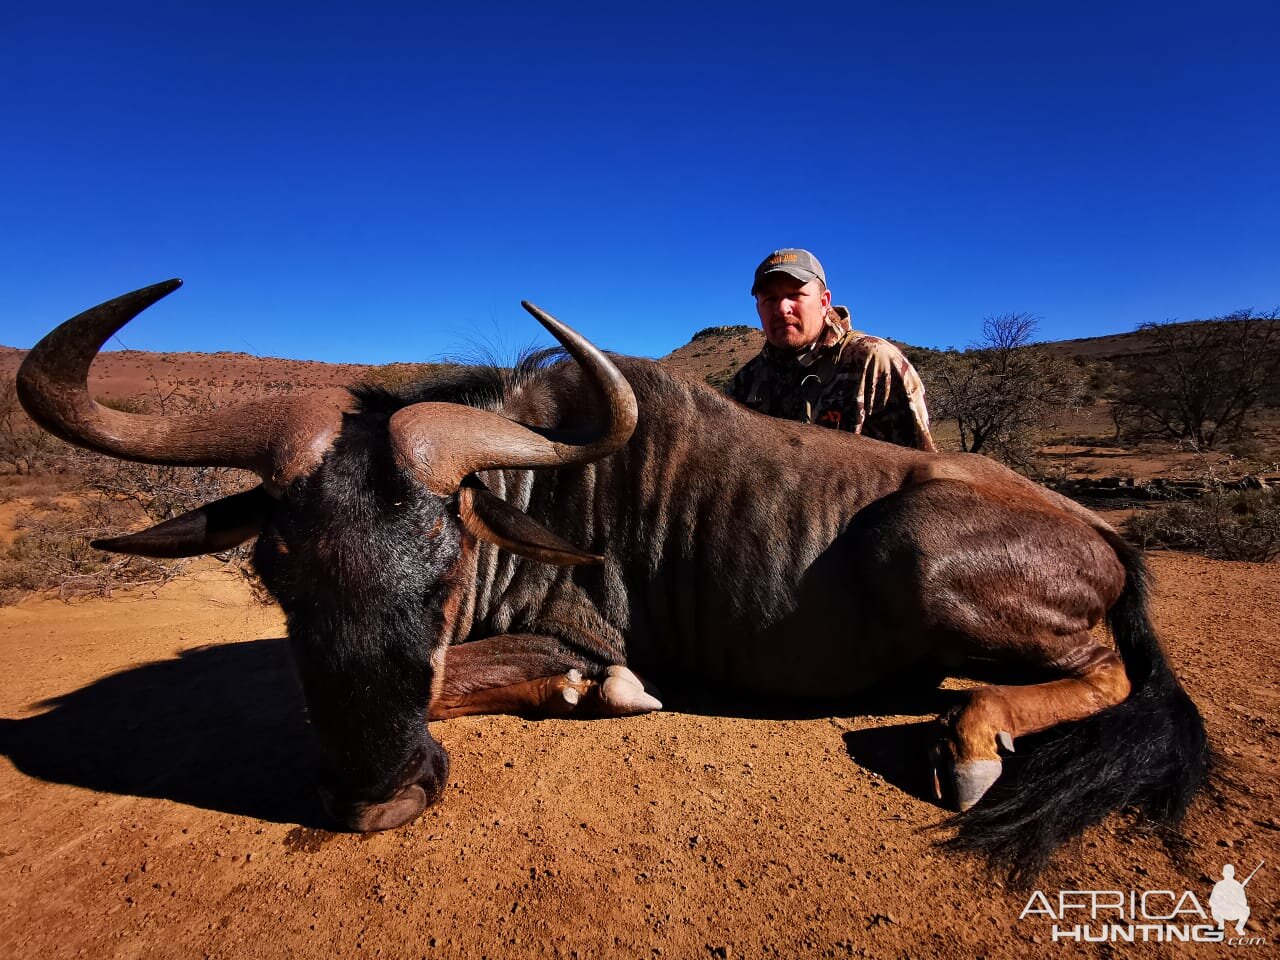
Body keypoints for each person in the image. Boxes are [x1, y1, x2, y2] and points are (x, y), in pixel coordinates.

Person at [730, 248, 937, 451]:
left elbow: (920, 468)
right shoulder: (745, 382)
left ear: (824, 302)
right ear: (758, 308)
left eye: (795, 295)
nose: (782, 309)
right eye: (770, 299)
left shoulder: (874, 361)